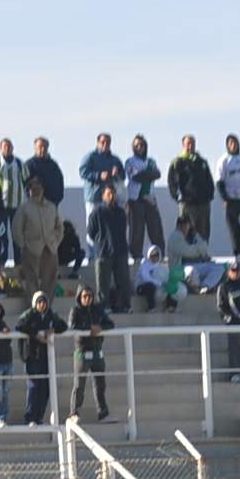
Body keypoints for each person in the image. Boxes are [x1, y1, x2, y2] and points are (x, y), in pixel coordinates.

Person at [16, 291, 66, 423]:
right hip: (32, 356)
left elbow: (63, 325)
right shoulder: (29, 314)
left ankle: (39, 417)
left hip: (45, 357)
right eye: (39, 302)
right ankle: (30, 417)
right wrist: (35, 334)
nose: (42, 304)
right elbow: (19, 325)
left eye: (44, 302)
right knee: (33, 387)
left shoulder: (50, 315)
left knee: (45, 388)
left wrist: (53, 330)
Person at [69, 285, 114, 421]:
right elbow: (72, 326)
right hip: (82, 352)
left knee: (100, 385)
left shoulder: (98, 310)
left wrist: (100, 327)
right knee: (79, 385)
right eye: (85, 296)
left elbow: (110, 324)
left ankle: (103, 413)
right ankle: (74, 413)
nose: (88, 299)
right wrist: (89, 328)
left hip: (97, 352)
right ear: (79, 297)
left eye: (90, 296)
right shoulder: (75, 310)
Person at [89, 182, 133, 313]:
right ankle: (104, 306)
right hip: (104, 253)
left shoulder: (120, 212)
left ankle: (125, 305)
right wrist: (101, 242)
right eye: (108, 194)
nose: (111, 196)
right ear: (103, 196)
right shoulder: (97, 212)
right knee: (103, 283)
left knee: (124, 281)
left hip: (121, 252)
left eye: (113, 193)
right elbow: (91, 231)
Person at [168, 135, 215, 246]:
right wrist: (178, 197)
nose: (190, 146)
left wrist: (209, 195)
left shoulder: (202, 162)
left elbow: (209, 180)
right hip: (187, 204)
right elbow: (172, 183)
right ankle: (188, 255)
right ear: (183, 145)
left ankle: (203, 253)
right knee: (187, 231)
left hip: (203, 204)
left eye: (192, 143)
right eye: (188, 143)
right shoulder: (177, 162)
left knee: (204, 231)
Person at [123, 135, 165, 259]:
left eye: (142, 145)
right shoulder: (130, 161)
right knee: (136, 230)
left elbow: (157, 174)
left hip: (150, 198)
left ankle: (159, 253)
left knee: (156, 228)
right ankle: (136, 255)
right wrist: (148, 174)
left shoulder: (151, 161)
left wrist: (146, 174)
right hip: (135, 199)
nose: (140, 147)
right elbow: (135, 177)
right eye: (137, 145)